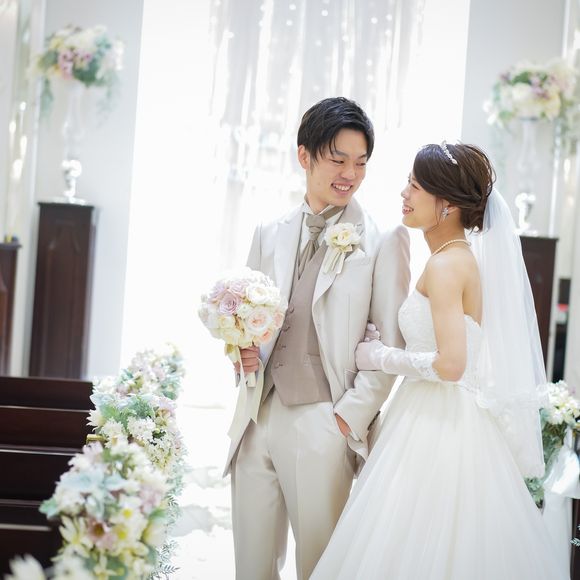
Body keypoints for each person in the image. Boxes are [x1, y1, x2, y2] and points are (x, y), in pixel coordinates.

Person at [310, 142, 569, 580]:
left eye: (415, 186)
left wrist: (380, 356)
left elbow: (452, 365)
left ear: (446, 203)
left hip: (437, 424)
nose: (404, 194)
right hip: (436, 414)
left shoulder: (448, 266)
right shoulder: (454, 259)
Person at [223, 97, 410, 580]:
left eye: (361, 163)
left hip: (325, 422)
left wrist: (347, 419)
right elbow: (245, 320)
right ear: (304, 156)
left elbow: (390, 347)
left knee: (320, 567)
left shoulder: (382, 239)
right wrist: (241, 353)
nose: (350, 174)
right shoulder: (269, 232)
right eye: (338, 159)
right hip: (256, 416)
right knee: (250, 567)